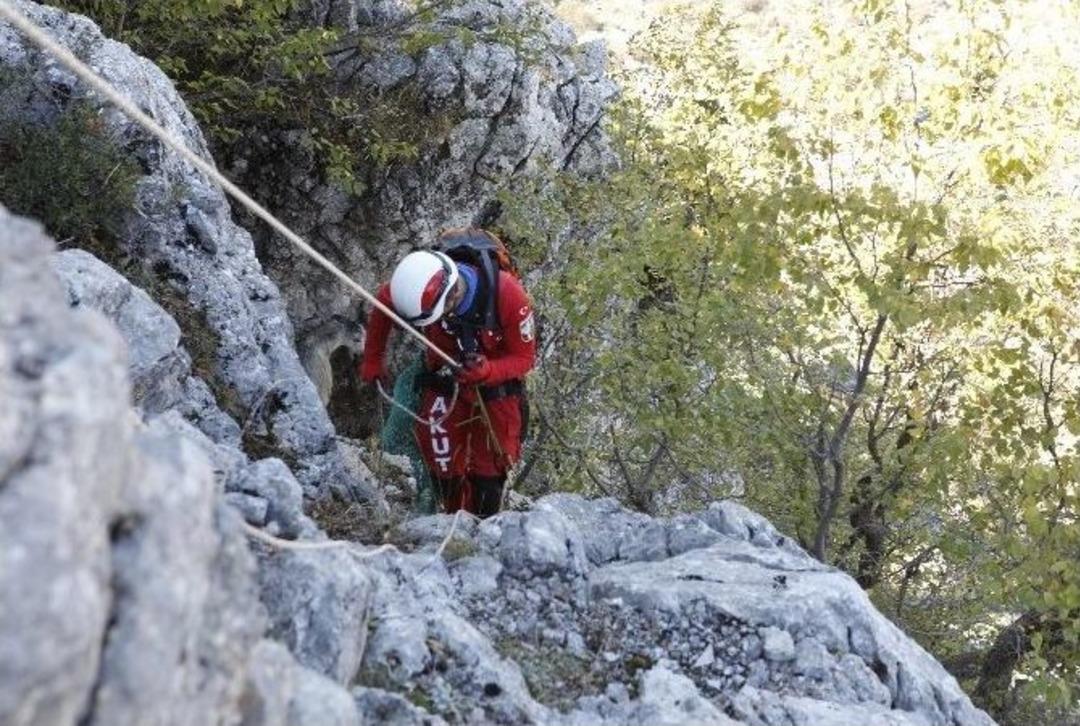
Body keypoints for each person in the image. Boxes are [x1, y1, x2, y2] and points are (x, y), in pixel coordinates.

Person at [358, 228, 536, 517]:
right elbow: (384, 301)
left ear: (452, 294)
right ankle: (449, 516)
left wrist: (489, 371)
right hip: (445, 374)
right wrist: (373, 359)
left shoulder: (508, 296)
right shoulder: (417, 280)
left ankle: (481, 524)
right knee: (440, 458)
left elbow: (524, 358)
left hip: (496, 381)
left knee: (489, 467)